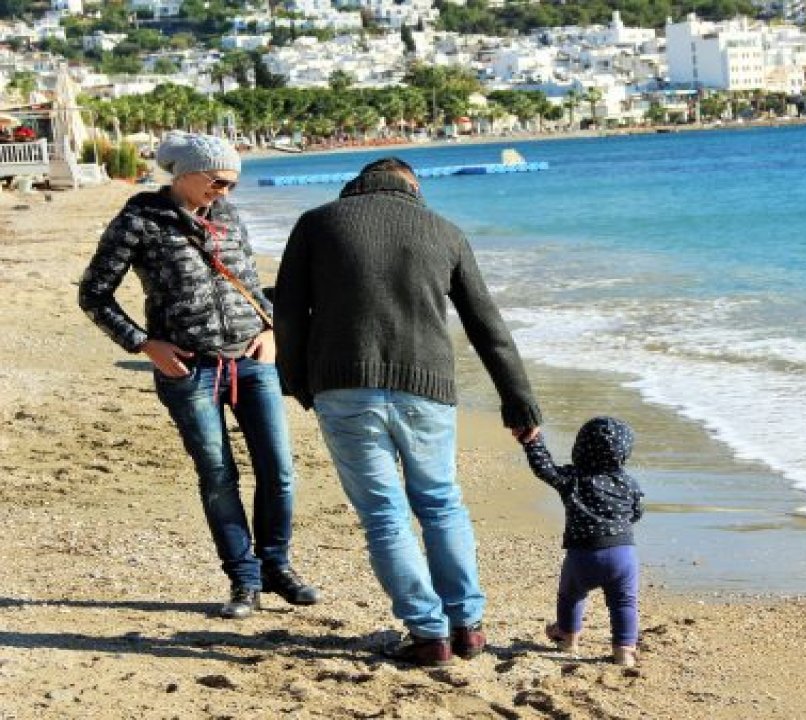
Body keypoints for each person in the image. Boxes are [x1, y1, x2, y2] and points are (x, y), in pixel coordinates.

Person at [273, 156, 542, 668]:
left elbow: (288, 310)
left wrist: (298, 382)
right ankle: (468, 627)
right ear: (412, 186)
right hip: (428, 388)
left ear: (356, 186)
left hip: (343, 386)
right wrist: (518, 400)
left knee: (383, 515)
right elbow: (488, 325)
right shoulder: (444, 230)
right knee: (441, 503)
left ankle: (428, 635)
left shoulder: (317, 223)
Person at [78, 131, 320, 620]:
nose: (226, 192)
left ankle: (276, 565)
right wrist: (143, 343)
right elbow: (94, 294)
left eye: (232, 183)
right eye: (218, 181)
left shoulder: (230, 217)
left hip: (252, 362)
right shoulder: (137, 221)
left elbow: (251, 285)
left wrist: (271, 328)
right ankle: (244, 579)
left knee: (280, 470)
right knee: (217, 476)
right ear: (185, 174)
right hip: (187, 369)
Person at [522, 417, 644, 667]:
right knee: (624, 602)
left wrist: (533, 441)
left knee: (571, 596)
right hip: (622, 554)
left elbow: (544, 468)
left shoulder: (573, 479)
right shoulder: (628, 482)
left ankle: (567, 636)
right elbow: (637, 512)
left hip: (582, 555)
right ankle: (624, 649)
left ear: (579, 448)